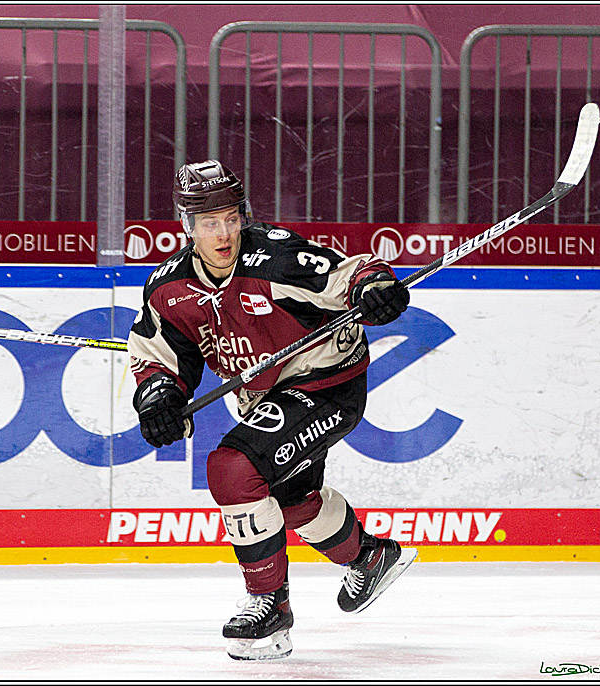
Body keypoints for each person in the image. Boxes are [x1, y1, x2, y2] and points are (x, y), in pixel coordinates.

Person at [127, 160, 417, 660]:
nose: (223, 232)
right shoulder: (169, 289)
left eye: (231, 217)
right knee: (288, 498)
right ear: (187, 226)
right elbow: (159, 354)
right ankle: (370, 556)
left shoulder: (276, 258)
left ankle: (269, 604)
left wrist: (374, 290)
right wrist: (159, 396)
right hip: (267, 397)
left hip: (327, 385)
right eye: (209, 221)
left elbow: (349, 273)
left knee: (233, 468)